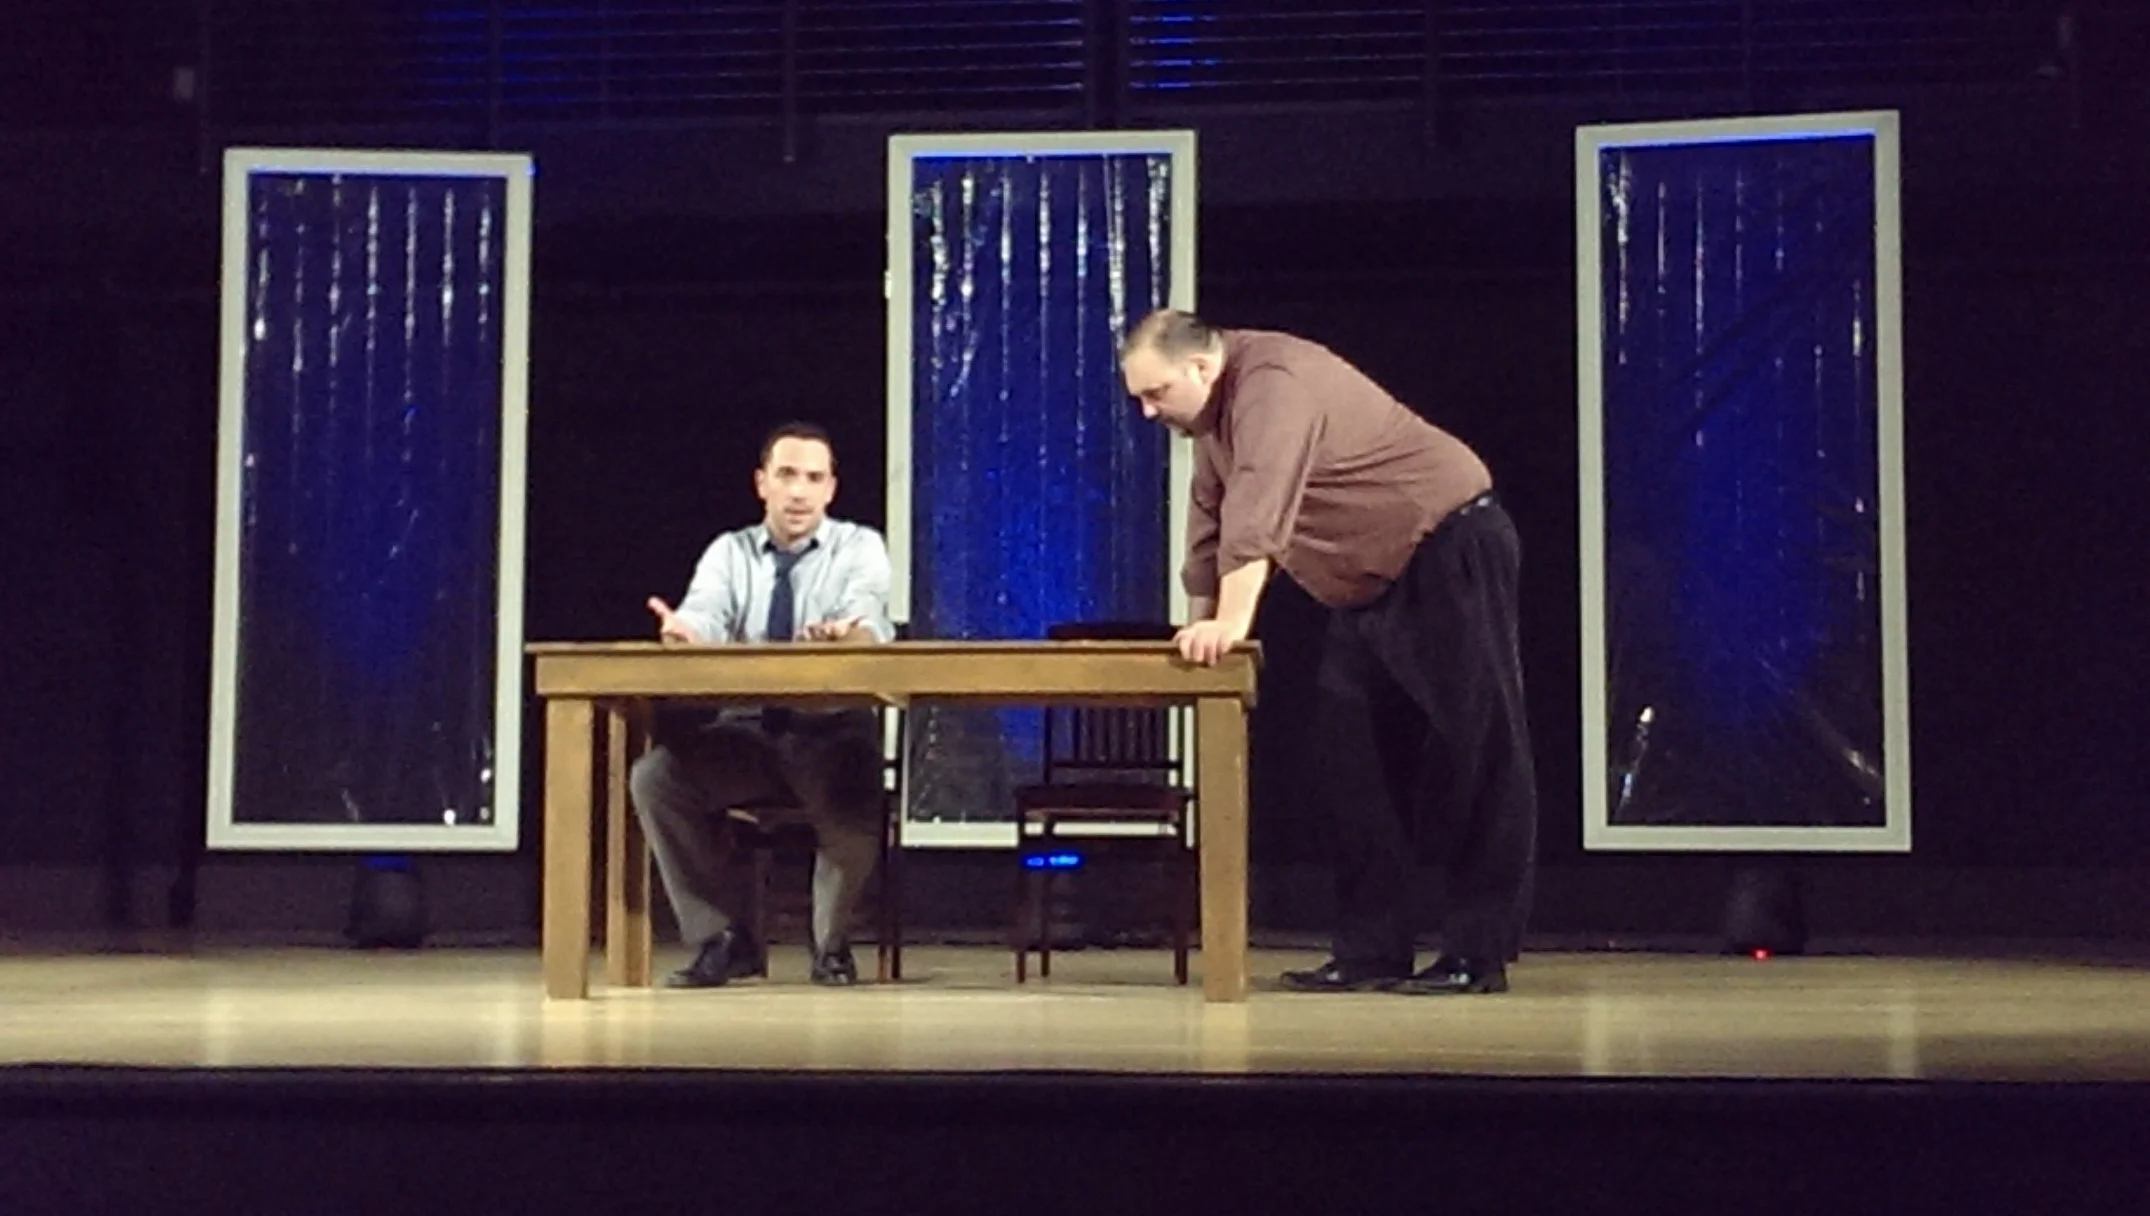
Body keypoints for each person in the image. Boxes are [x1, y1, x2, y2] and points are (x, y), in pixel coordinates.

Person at [1119, 309, 1537, 996]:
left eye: (1155, 393)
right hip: (1366, 582)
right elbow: (1208, 525)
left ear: (1201, 365)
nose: (1146, 411)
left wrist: (1231, 624)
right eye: (1138, 396)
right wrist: (1201, 634)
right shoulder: (1211, 423)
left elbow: (1258, 510)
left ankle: (1476, 952)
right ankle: (1372, 949)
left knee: (1479, 747)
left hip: (1446, 543)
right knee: (1355, 763)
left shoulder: (1271, 382)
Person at [631, 421, 895, 988]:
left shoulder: (859, 546)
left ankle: (830, 946)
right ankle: (723, 939)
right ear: (762, 483)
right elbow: (704, 612)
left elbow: (868, 613)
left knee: (855, 787)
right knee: (656, 778)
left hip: (830, 731)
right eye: (787, 475)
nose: (799, 491)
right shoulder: (730, 552)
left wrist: (847, 635)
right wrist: (686, 633)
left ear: (831, 489)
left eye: (813, 478)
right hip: (748, 732)